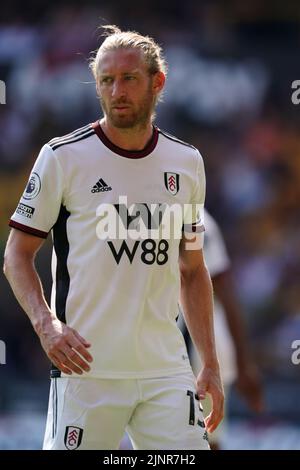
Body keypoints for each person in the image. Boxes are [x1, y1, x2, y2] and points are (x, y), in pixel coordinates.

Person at [3, 25, 223, 450]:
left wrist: (210, 363)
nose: (116, 90)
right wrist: (46, 325)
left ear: (157, 82)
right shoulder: (62, 157)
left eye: (128, 79)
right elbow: (17, 255)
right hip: (86, 370)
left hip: (165, 371)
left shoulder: (187, 163)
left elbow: (192, 268)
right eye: (106, 80)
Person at [179, 209, 264, 449]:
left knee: (204, 437)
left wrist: (245, 363)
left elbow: (225, 289)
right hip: (195, 343)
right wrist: (244, 363)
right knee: (204, 438)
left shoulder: (197, 219)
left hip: (194, 345)